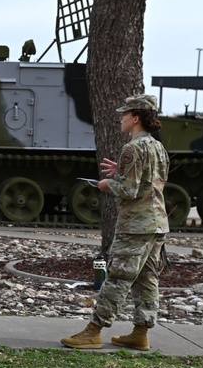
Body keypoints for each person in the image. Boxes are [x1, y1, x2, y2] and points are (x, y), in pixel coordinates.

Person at [62, 94, 169, 352]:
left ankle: (93, 331)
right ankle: (140, 333)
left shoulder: (132, 148)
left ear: (136, 118)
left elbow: (130, 190)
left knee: (118, 278)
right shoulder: (157, 147)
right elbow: (151, 181)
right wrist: (120, 173)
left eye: (124, 115)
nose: (120, 119)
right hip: (157, 224)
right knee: (147, 279)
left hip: (135, 226)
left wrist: (108, 183)